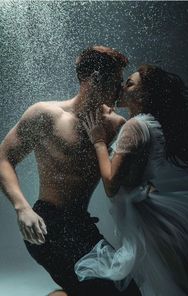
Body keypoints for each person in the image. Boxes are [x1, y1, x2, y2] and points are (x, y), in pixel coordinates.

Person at [75, 64, 188, 296]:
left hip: (144, 221)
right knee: (180, 280)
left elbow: (110, 185)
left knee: (177, 283)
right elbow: (139, 170)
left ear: (144, 94)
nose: (122, 87)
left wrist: (98, 141)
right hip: (147, 213)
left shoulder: (133, 126)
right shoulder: (148, 122)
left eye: (129, 83)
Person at [0, 46, 141, 296]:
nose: (119, 89)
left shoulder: (117, 125)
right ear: (95, 80)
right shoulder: (45, 114)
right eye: (115, 82)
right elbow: (3, 157)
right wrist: (22, 207)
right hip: (47, 226)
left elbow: (123, 177)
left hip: (81, 225)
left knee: (128, 291)